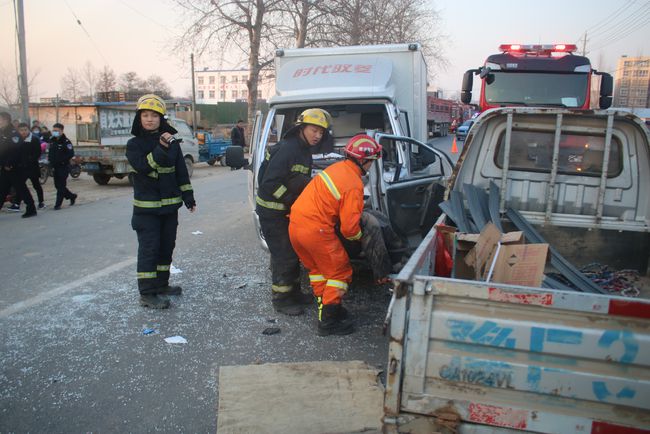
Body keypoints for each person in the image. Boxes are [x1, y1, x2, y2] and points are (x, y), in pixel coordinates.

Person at [289, 134, 382, 336]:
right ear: (364, 160)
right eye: (372, 162)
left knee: (318, 270)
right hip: (316, 230)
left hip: (296, 227)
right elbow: (349, 229)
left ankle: (328, 309)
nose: (372, 166)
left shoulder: (335, 169)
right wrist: (360, 239)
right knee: (340, 273)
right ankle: (329, 322)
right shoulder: (354, 184)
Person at [255, 108, 331, 316]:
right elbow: (270, 183)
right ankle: (281, 299)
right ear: (302, 128)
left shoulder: (303, 149)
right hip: (273, 212)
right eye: (314, 130)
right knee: (284, 255)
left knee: (293, 253)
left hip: (284, 212)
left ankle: (294, 293)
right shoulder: (289, 149)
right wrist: (291, 201)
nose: (317, 136)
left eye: (321, 133)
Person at [126, 94, 196, 309]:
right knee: (150, 249)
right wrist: (161, 148)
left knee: (166, 247)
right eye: (145, 115)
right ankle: (147, 293)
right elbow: (144, 167)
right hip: (146, 212)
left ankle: (162, 285)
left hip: (169, 209)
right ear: (139, 119)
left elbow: (181, 173)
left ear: (161, 118)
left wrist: (188, 197)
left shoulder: (172, 143)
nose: (149, 119)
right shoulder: (134, 144)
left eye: (154, 116)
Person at [0, 112, 37, 218]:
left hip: (14, 167)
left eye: (0, 120)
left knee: (21, 188)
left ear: (5, 120)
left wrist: (9, 163)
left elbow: (15, 151)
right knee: (2, 189)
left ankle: (31, 208)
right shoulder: (2, 133)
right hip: (4, 167)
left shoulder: (13, 134)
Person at [15, 123, 45, 209]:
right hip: (21, 168)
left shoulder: (34, 139)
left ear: (28, 130)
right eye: (21, 130)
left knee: (36, 185)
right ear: (18, 131)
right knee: (20, 185)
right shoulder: (17, 140)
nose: (23, 132)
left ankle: (41, 202)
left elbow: (37, 153)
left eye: (25, 130)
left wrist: (29, 160)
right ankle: (17, 203)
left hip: (32, 167)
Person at [48, 123, 77, 210]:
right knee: (57, 186)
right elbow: (50, 153)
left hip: (63, 167)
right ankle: (71, 196)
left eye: (56, 131)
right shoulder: (52, 140)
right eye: (54, 130)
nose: (55, 132)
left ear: (61, 131)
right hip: (55, 167)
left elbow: (70, 153)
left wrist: (60, 160)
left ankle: (57, 204)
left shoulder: (66, 142)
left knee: (61, 186)